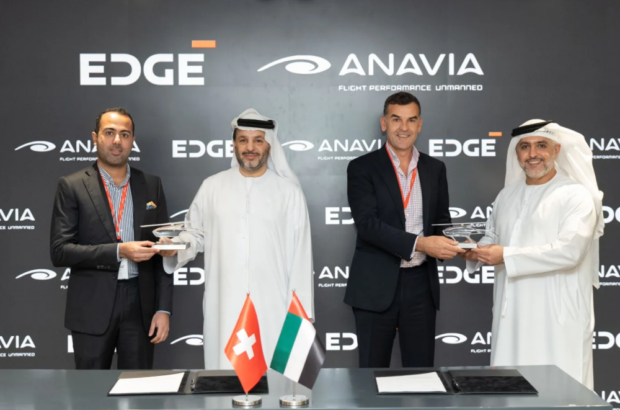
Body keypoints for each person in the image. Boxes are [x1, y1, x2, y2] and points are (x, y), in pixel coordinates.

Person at [161, 108, 313, 369]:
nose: (250, 147)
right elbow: (194, 233)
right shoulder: (212, 186)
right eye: (243, 140)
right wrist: (176, 247)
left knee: (274, 377)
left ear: (269, 145)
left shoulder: (289, 193)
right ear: (234, 145)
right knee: (225, 375)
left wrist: (301, 315)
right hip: (225, 302)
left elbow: (301, 256)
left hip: (274, 304)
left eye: (258, 140)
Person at [463, 119, 604, 389]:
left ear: (556, 150)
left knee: (562, 394)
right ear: (516, 153)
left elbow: (570, 251)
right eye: (524, 147)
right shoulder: (506, 195)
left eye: (541, 145)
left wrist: (505, 255)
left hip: (558, 317)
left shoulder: (575, 195)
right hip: (511, 316)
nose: (532, 154)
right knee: (510, 390)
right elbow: (494, 238)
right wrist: (474, 251)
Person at [344, 92, 463, 368]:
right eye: (396, 119)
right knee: (372, 375)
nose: (404, 128)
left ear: (420, 124)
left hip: (421, 286)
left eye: (411, 120)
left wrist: (461, 245)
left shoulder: (435, 168)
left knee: (421, 375)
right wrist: (421, 244)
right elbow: (367, 225)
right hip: (375, 286)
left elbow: (441, 223)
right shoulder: (362, 167)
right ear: (384, 122)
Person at [50, 108, 173, 369]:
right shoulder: (72, 185)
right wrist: (119, 251)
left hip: (141, 307)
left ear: (132, 141)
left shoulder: (152, 185)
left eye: (125, 134)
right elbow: (60, 251)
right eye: (109, 133)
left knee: (137, 387)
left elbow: (163, 252)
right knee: (90, 389)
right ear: (95, 137)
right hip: (91, 306)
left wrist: (163, 309)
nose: (117, 140)